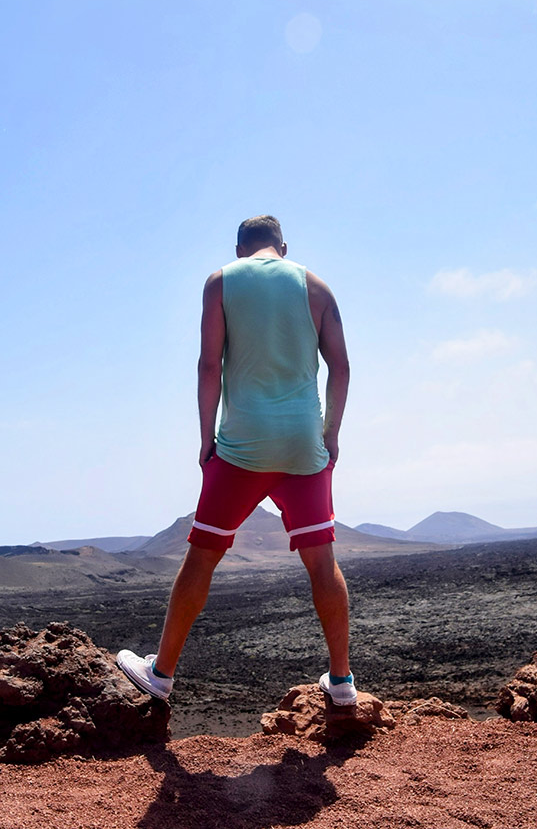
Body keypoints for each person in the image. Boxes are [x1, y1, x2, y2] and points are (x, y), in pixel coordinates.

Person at [117, 215, 356, 707]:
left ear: (239, 249)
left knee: (203, 555)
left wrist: (207, 440)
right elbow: (342, 368)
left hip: (242, 444)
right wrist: (330, 434)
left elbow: (209, 364)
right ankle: (342, 682)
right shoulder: (317, 287)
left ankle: (161, 674)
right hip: (302, 445)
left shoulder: (221, 281)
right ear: (283, 248)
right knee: (322, 561)